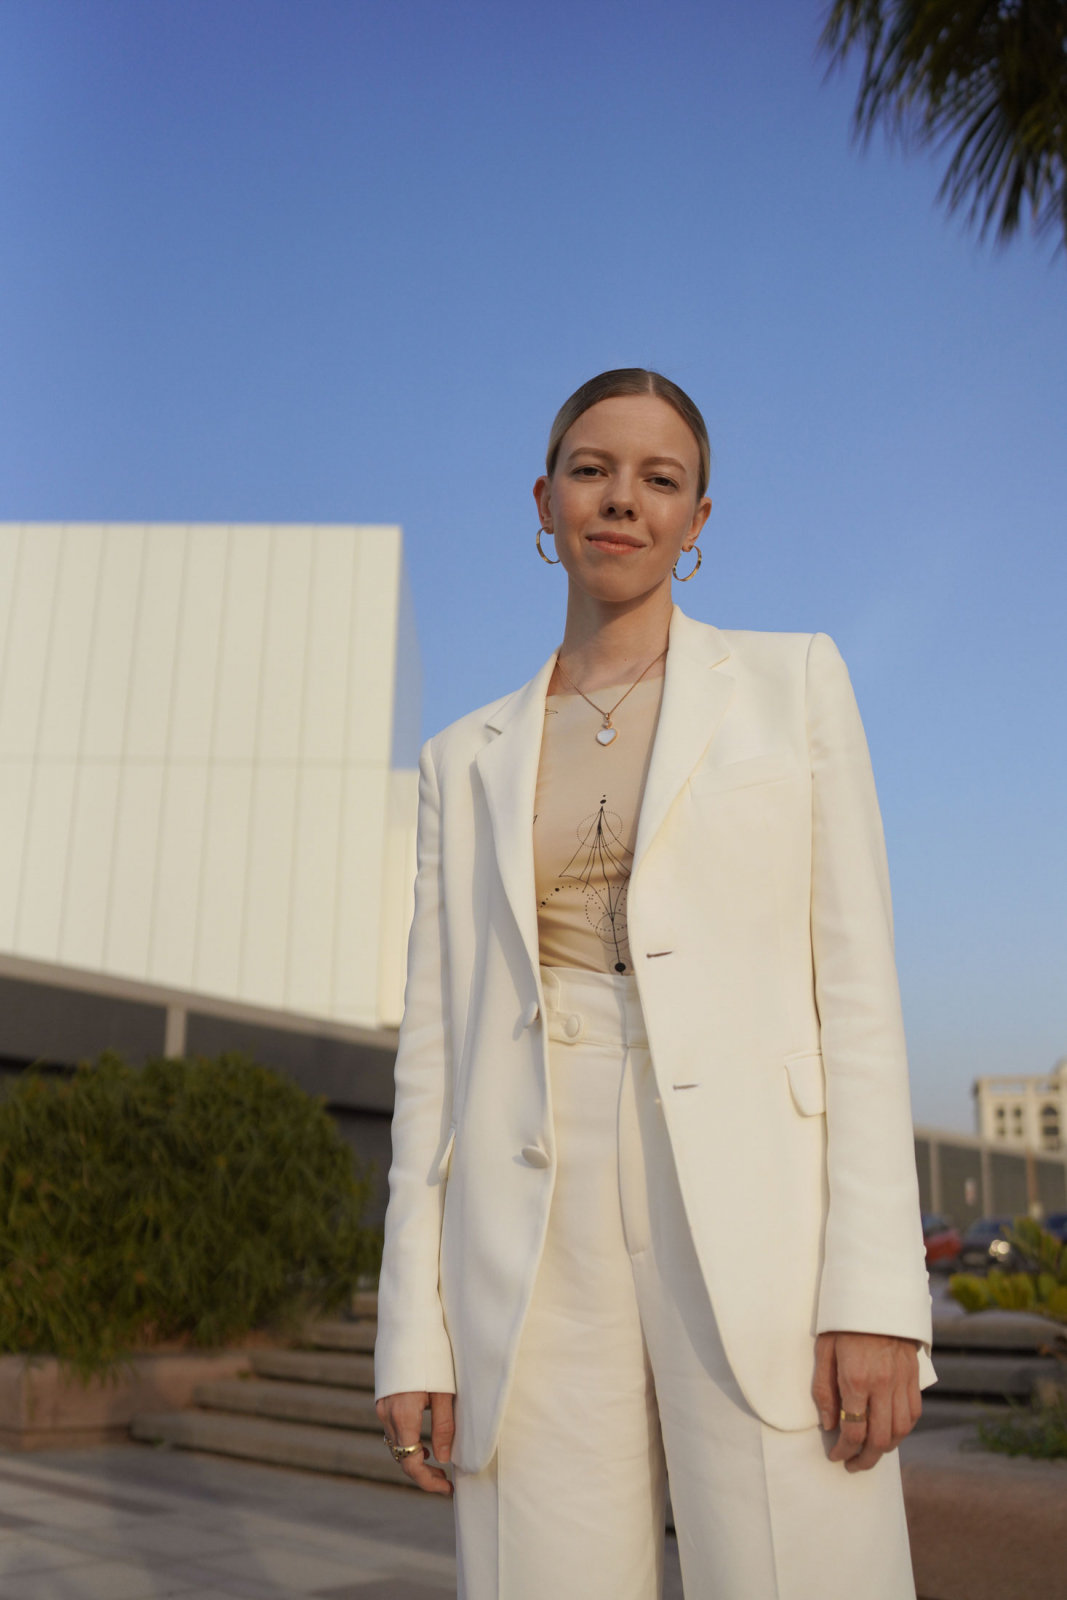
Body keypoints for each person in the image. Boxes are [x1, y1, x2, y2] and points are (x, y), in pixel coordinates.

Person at [375, 369, 935, 1600]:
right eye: (590, 469)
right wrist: (412, 1328)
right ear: (544, 500)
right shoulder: (460, 758)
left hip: (759, 1220)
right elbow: (433, 1059)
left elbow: (858, 998)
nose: (620, 498)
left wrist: (876, 1293)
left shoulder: (792, 685)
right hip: (531, 1226)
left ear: (696, 517)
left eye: (657, 477)